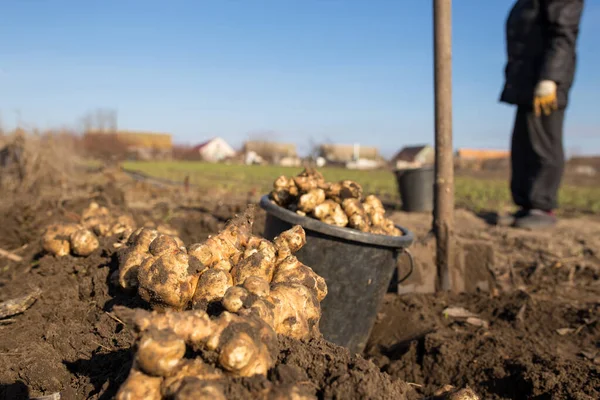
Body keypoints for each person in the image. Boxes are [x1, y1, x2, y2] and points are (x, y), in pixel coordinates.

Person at [499, 0, 584, 228]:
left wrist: (551, 77)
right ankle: (527, 205)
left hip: (546, 80)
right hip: (527, 79)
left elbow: (563, 34)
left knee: (543, 141)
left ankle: (543, 208)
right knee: (523, 143)